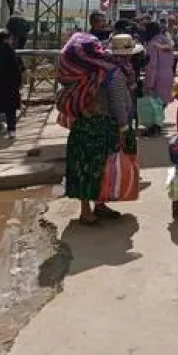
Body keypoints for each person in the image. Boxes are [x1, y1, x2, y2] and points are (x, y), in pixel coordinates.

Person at [57, 32, 133, 225]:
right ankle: (87, 211)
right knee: (100, 167)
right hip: (102, 126)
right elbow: (117, 102)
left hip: (82, 124)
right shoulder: (113, 71)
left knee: (83, 167)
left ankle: (97, 205)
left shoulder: (92, 69)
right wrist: (124, 127)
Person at [142, 21, 175, 135]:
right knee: (161, 102)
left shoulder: (152, 44)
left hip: (157, 75)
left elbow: (152, 64)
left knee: (152, 102)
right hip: (168, 74)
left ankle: (153, 128)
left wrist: (149, 83)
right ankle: (157, 126)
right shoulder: (167, 41)